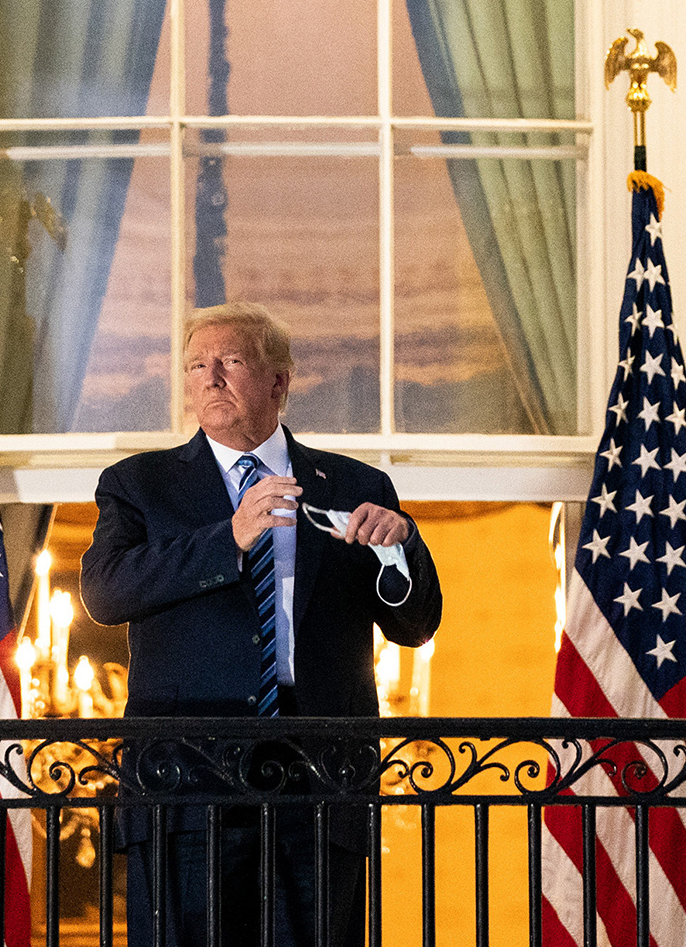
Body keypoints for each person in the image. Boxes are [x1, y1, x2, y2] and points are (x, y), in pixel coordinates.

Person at [80, 301, 443, 947]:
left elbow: (414, 626)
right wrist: (230, 538)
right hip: (184, 791)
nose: (210, 376)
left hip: (319, 785)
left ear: (279, 380)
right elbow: (106, 593)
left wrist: (401, 548)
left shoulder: (356, 485)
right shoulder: (140, 486)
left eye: (232, 361)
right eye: (197, 365)